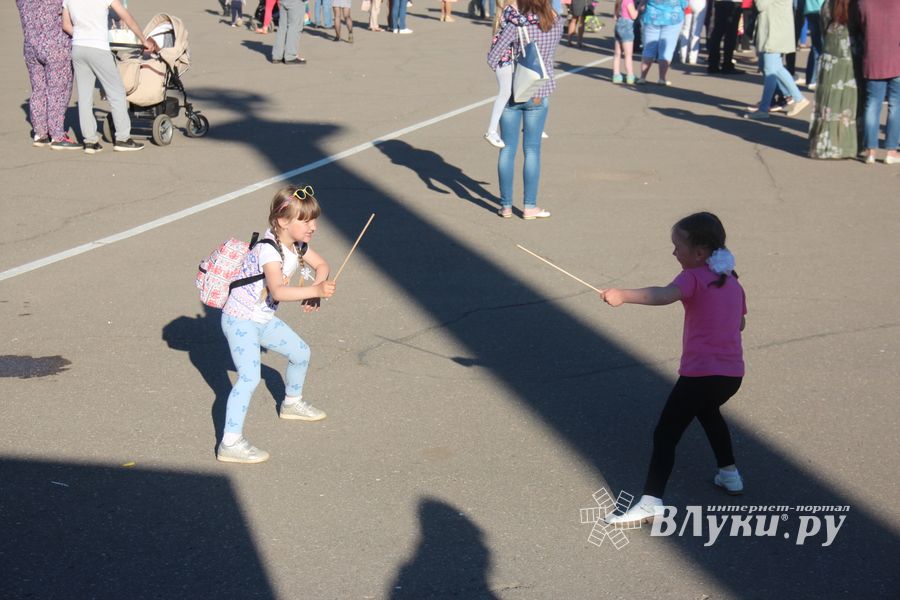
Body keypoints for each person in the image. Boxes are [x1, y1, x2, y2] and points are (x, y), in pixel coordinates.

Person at [600, 212, 747, 526]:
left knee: (666, 434)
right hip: (731, 375)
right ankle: (729, 474)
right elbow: (741, 322)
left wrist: (623, 295)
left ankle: (651, 501)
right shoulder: (732, 280)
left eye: (678, 247)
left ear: (700, 252)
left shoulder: (692, 277)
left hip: (700, 374)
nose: (674, 253)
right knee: (708, 414)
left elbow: (663, 295)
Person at [217, 185, 337, 464]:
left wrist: (317, 287)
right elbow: (278, 292)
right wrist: (315, 292)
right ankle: (230, 443)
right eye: (305, 220)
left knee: (301, 352)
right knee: (249, 378)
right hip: (240, 320)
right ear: (283, 221)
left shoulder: (296, 245)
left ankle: (291, 403)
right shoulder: (268, 251)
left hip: (261, 320)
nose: (313, 226)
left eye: (314, 219)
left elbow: (322, 265)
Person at [489, 0, 562, 219]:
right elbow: (548, 54)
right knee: (532, 150)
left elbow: (493, 57)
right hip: (539, 89)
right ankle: (530, 206)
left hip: (514, 89)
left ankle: (506, 206)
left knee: (507, 149)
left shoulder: (516, 24)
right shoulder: (556, 22)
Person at [62, 0, 158, 154]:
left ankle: (90, 141)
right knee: (117, 92)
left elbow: (66, 25)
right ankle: (122, 138)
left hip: (78, 47)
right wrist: (143, 39)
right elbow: (126, 16)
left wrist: (83, 35)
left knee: (85, 96)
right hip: (98, 48)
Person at [16, 0, 80, 150]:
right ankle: (57, 135)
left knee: (38, 89)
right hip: (56, 45)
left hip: (31, 46)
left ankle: (40, 133)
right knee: (58, 91)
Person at [808, 0, 860, 159]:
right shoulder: (856, 6)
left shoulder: (828, 5)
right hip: (850, 59)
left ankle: (825, 145)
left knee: (828, 104)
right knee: (848, 103)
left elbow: (823, 27)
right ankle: (847, 146)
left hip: (831, 61)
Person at [485, 0, 540, 147]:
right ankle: (491, 130)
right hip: (503, 58)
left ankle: (531, 126)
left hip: (509, 57)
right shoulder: (510, 9)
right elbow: (523, 20)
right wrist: (539, 15)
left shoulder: (512, 9)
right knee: (505, 92)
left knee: (519, 88)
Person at [744, 0, 810, 119]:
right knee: (774, 68)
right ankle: (796, 97)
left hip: (774, 33)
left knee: (770, 70)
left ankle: (764, 109)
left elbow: (760, 5)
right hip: (773, 31)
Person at [857, 0, 899, 165]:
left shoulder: (864, 2)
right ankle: (891, 151)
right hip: (897, 57)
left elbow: (861, 24)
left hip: (873, 56)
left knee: (872, 104)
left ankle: (870, 151)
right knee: (896, 105)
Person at [636, 0, 687, 86]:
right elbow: (684, 4)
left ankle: (642, 77)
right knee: (667, 49)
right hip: (673, 17)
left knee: (649, 48)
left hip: (651, 16)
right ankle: (662, 78)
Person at [706, 0, 743, 73]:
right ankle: (727, 65)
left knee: (717, 32)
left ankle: (713, 64)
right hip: (734, 3)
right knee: (730, 35)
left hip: (720, 2)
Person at [612, 0, 638, 83]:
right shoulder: (629, 2)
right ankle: (630, 76)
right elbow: (633, 16)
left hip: (618, 25)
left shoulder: (618, 2)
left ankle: (616, 75)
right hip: (627, 26)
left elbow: (615, 17)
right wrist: (639, 9)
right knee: (628, 54)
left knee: (617, 54)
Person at [802, 0, 824, 89]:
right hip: (822, 9)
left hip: (810, 9)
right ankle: (815, 79)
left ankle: (811, 79)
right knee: (821, 47)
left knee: (815, 46)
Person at [677, 0, 706, 65]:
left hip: (687, 2)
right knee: (696, 32)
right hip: (700, 4)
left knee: (685, 29)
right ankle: (693, 58)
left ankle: (683, 56)